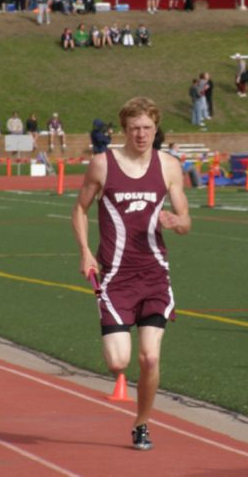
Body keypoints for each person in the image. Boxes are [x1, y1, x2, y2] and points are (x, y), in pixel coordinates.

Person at [71, 97, 191, 451]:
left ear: (156, 129)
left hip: (154, 275)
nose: (142, 135)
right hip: (115, 278)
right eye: (135, 128)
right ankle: (110, 318)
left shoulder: (169, 166)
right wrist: (85, 251)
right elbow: (79, 209)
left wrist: (176, 221)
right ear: (124, 130)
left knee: (150, 357)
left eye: (148, 129)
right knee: (119, 362)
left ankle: (141, 424)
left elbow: (186, 222)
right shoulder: (102, 165)